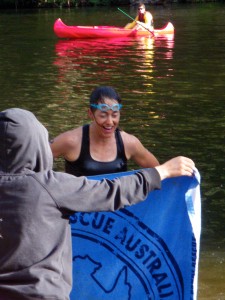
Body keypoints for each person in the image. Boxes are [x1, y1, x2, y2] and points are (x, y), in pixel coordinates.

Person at [0, 108, 195, 300]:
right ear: (37, 143)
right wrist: (162, 172)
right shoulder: (51, 187)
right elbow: (111, 191)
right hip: (42, 294)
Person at [50, 86, 160, 177]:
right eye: (103, 115)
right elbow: (35, 158)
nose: (110, 122)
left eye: (115, 115)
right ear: (90, 114)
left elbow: (158, 171)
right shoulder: (71, 141)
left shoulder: (129, 143)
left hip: (115, 203)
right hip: (80, 202)